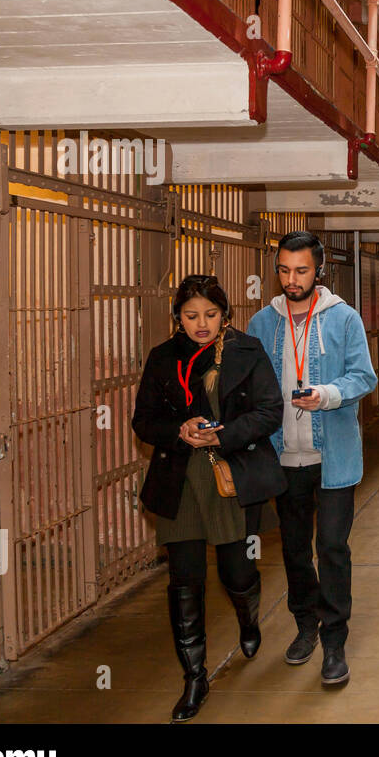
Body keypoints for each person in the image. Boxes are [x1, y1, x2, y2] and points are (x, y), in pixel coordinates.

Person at [133, 274, 287, 721]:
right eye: (191, 315)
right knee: (184, 580)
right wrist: (178, 431)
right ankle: (195, 677)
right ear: (177, 318)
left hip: (228, 474)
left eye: (211, 315)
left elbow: (268, 412)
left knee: (237, 571)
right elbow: (143, 420)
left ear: (226, 314)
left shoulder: (246, 350)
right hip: (178, 477)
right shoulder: (162, 358)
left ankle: (248, 617)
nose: (201, 324)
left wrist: (221, 435)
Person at [246, 230, 377, 686]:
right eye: (283, 269)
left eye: (300, 270)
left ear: (318, 270)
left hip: (334, 456)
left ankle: (335, 641)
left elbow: (365, 376)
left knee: (333, 549)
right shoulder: (262, 323)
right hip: (285, 458)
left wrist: (326, 394)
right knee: (297, 551)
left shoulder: (344, 319)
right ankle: (306, 625)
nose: (291, 279)